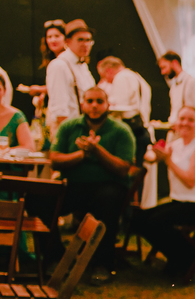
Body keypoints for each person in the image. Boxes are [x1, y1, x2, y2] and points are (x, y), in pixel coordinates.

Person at [49, 86, 137, 285]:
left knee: (108, 201)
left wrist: (97, 150)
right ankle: (56, 258)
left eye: (99, 101)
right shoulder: (69, 127)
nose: (94, 106)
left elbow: (123, 168)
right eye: (90, 101)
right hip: (73, 186)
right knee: (40, 201)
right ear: (82, 104)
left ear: (108, 105)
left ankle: (102, 265)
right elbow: (54, 159)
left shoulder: (121, 131)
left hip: (109, 187)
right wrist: (81, 155)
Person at [132, 106, 195, 278]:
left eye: (190, 120)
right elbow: (150, 158)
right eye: (182, 119)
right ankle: (181, 257)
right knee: (138, 219)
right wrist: (152, 153)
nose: (185, 123)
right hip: (180, 202)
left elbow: (190, 180)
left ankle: (185, 259)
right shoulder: (176, 144)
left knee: (156, 222)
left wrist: (167, 160)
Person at [97, 56, 152, 166]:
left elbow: (118, 106)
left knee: (128, 172)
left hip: (131, 130)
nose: (106, 81)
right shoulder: (137, 76)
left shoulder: (121, 77)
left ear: (109, 71)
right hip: (142, 129)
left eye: (104, 77)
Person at [46, 20, 96, 132]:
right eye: (80, 40)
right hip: (69, 130)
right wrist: (71, 134)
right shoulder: (59, 65)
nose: (85, 44)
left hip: (84, 127)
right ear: (68, 42)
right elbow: (60, 109)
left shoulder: (82, 65)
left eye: (88, 40)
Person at [157, 51, 195, 124]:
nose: (162, 72)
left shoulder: (192, 82)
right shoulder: (173, 87)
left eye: (164, 67)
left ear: (175, 63)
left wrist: (186, 123)